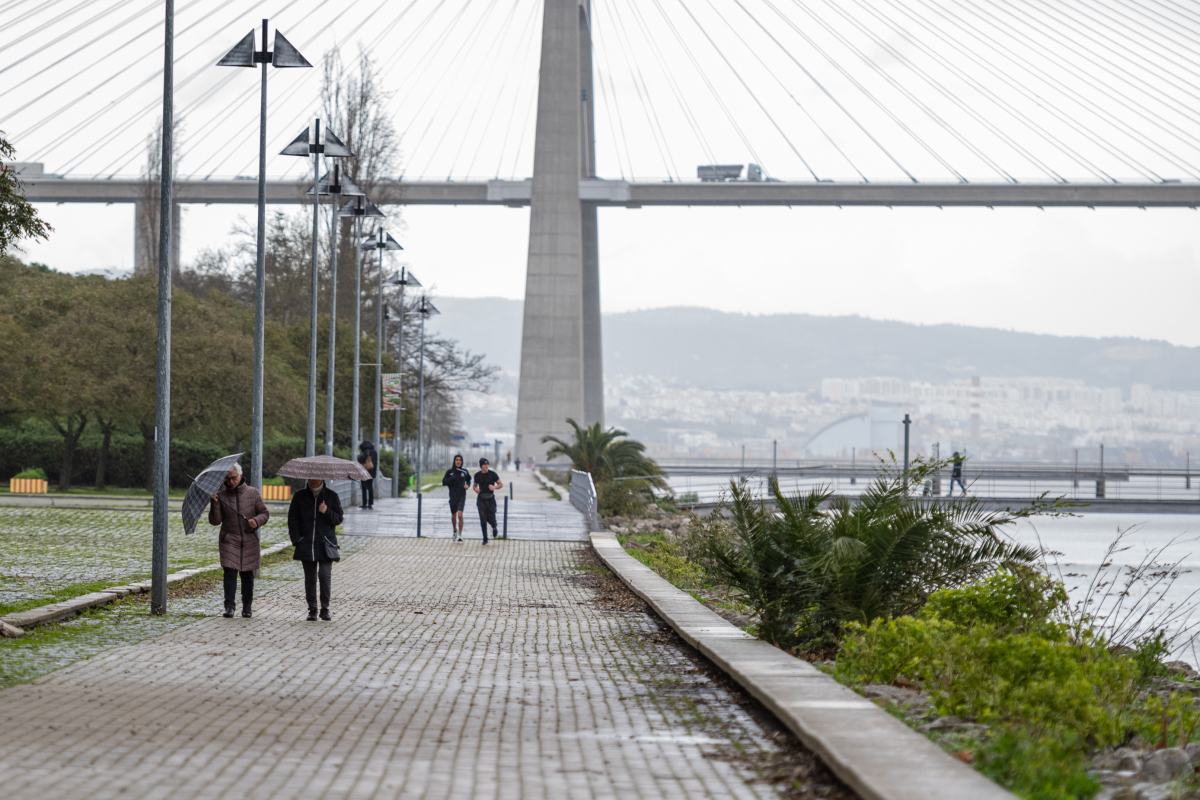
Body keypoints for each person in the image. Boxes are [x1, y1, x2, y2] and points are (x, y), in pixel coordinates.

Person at [208, 463, 269, 619]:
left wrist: (256, 521)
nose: (231, 482)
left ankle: (247, 606)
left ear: (240, 476)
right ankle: (229, 606)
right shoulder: (220, 497)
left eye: (234, 478)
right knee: (229, 572)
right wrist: (214, 504)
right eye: (227, 479)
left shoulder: (253, 493)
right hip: (230, 539)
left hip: (249, 540)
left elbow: (264, 513)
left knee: (247, 575)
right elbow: (215, 521)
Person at [288, 478, 344, 621]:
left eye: (316, 477)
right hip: (306, 543)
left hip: (325, 543)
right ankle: (312, 609)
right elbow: (292, 519)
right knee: (310, 577)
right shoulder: (300, 496)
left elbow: (338, 518)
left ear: (322, 478)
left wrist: (326, 511)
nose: (313, 480)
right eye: (311, 477)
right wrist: (297, 540)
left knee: (324, 576)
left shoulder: (331, 496)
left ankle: (325, 609)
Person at [473, 457, 504, 545]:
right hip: (481, 499)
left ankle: (494, 526)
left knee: (491, 519)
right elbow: (474, 485)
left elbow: (501, 484)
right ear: (481, 466)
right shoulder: (477, 475)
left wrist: (494, 487)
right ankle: (485, 537)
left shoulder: (493, 474)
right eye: (484, 464)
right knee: (483, 519)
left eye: (487, 464)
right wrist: (476, 489)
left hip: (490, 499)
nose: (486, 466)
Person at [441, 454, 471, 542]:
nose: (458, 461)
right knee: (454, 515)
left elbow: (469, 479)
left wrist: (467, 485)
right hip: (452, 496)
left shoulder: (464, 471)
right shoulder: (450, 472)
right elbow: (444, 482)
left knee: (460, 514)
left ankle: (460, 534)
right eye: (457, 460)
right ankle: (454, 530)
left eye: (460, 460)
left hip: (461, 496)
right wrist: (451, 479)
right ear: (454, 461)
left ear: (461, 462)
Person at [357, 440, 378, 509]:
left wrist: (358, 456)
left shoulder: (366, 452)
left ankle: (364, 503)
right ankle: (370, 503)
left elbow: (361, 459)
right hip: (372, 473)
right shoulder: (375, 452)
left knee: (364, 488)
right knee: (370, 488)